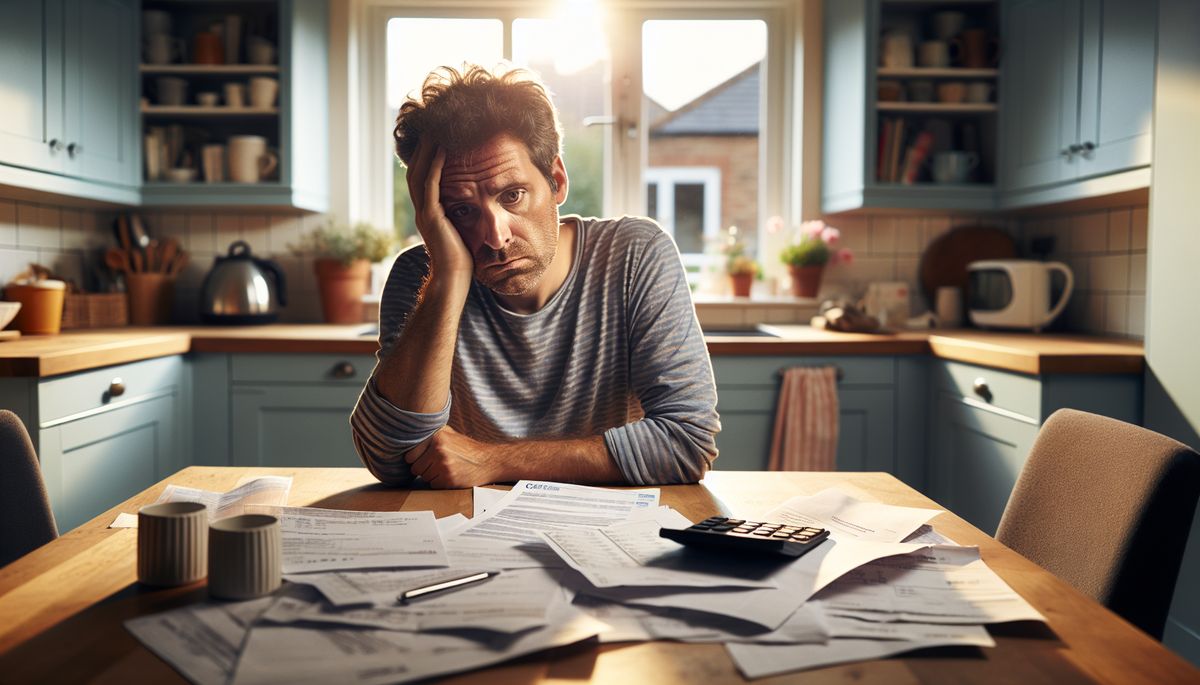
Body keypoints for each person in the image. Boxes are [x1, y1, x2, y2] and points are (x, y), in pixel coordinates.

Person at [350, 63, 719, 488]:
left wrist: (496, 462)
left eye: (512, 195)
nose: (495, 236)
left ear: (557, 180)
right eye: (461, 211)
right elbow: (391, 460)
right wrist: (449, 275)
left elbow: (687, 442)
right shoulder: (422, 275)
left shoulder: (635, 255)